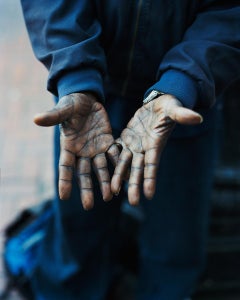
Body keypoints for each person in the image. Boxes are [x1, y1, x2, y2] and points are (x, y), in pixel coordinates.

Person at [20, 1, 240, 299]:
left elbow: (229, 13)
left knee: (175, 246)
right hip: (90, 98)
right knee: (76, 235)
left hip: (181, 105)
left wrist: (183, 81)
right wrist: (74, 75)